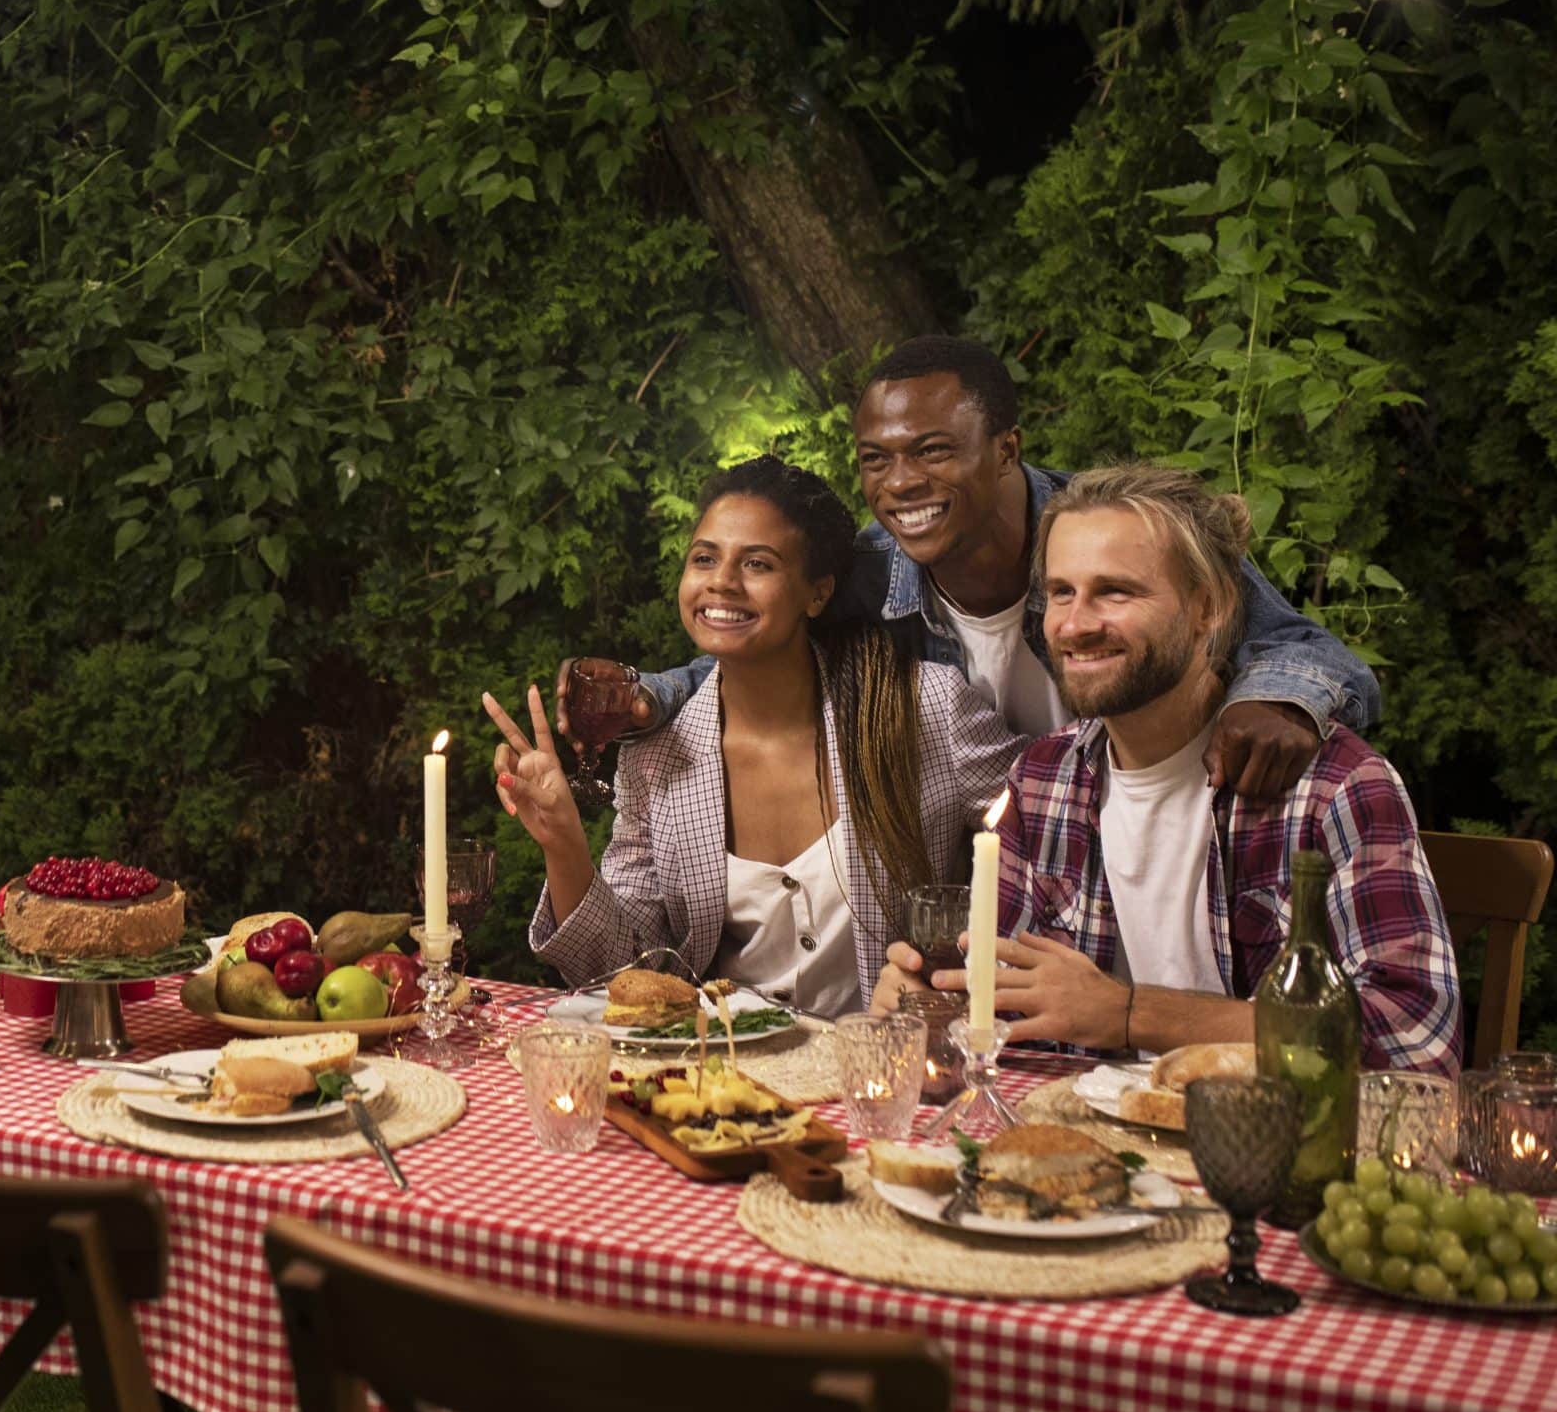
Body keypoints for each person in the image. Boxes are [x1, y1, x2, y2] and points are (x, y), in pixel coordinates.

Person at [568, 337, 1379, 799]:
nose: (900, 485)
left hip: (1173, 824)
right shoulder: (872, 570)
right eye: (875, 461)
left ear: (1006, 451)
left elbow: (1314, 652)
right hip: (1017, 866)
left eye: (931, 451)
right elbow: (760, 648)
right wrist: (651, 695)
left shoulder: (1108, 536)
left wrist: (1278, 702)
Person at [870, 464, 1460, 1074]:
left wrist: (1130, 1013)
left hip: (1273, 1150)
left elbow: (1414, 1042)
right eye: (1062, 593)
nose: (1074, 625)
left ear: (1209, 606)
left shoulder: (1332, 787)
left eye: (1115, 592)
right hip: (1087, 1147)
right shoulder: (1044, 781)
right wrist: (938, 1009)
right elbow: (1012, 1018)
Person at [484, 456, 1022, 1015]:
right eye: (705, 558)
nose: (721, 581)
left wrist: (961, 979)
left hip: (892, 1075)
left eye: (758, 564)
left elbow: (1053, 856)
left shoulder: (923, 707)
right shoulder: (658, 758)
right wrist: (565, 845)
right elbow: (628, 974)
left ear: (816, 593)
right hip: (727, 1082)